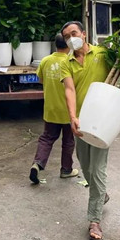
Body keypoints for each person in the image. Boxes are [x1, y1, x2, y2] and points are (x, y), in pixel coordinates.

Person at [60, 21, 120, 240]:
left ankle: (94, 220)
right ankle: (101, 195)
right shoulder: (66, 63)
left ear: (84, 34)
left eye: (74, 33)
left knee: (98, 169)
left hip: (104, 120)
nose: (71, 38)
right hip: (82, 120)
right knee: (85, 166)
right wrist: (72, 116)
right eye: (66, 36)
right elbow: (69, 90)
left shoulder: (103, 53)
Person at [29, 34, 79, 185]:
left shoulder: (46, 60)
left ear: (55, 44)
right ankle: (66, 170)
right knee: (68, 140)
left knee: (47, 138)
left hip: (51, 108)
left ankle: (37, 164)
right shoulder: (71, 62)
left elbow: (41, 79)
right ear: (69, 45)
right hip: (69, 110)